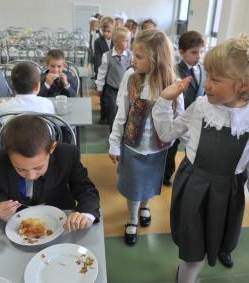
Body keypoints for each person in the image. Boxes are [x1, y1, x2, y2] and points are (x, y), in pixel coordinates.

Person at [152, 35, 249, 283]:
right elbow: (166, 134)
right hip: (193, 186)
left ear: (242, 84)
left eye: (215, 79)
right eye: (206, 75)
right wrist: (166, 99)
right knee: (192, 253)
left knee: (216, 240)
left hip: (227, 194)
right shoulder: (201, 107)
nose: (206, 84)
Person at [109, 29, 183, 246]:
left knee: (148, 183)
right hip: (132, 146)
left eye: (139, 56)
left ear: (156, 59)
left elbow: (180, 118)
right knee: (132, 186)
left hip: (158, 148)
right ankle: (132, 219)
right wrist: (114, 143)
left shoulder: (173, 82)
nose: (133, 59)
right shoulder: (131, 78)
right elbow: (121, 113)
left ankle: (144, 207)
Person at [0, 114, 100, 231]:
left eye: (38, 168)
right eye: (20, 169)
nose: (30, 176)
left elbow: (86, 190)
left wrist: (86, 214)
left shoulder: (67, 155)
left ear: (52, 148)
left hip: (62, 222)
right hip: (17, 224)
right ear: (8, 155)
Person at [163, 30, 207, 187]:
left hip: (197, 117)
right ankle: (166, 173)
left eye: (202, 51)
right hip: (179, 116)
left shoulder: (203, 70)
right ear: (182, 52)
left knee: (193, 145)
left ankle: (191, 173)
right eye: (194, 52)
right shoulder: (175, 70)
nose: (199, 56)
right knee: (172, 147)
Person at [95, 27, 132, 130]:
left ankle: (123, 132)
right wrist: (99, 87)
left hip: (126, 89)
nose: (128, 43)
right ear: (115, 42)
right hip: (111, 89)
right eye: (126, 41)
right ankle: (113, 132)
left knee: (125, 111)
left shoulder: (130, 55)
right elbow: (102, 72)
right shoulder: (107, 56)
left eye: (129, 40)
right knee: (112, 111)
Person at [94, 16, 115, 124]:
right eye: (104, 31)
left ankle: (111, 115)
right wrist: (98, 77)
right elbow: (97, 59)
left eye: (108, 31)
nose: (106, 33)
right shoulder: (98, 41)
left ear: (113, 30)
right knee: (102, 96)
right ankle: (103, 116)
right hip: (102, 72)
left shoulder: (116, 41)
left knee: (111, 98)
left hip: (113, 73)